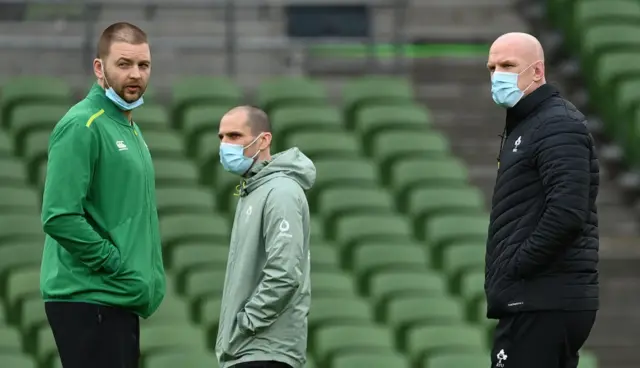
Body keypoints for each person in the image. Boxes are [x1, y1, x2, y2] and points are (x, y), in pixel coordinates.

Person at [40, 22, 165, 368]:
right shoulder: (83, 124)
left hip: (113, 299)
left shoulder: (127, 126)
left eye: (143, 65)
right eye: (123, 64)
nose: (135, 74)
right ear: (100, 68)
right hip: (90, 297)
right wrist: (113, 263)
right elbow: (59, 215)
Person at [484, 32, 599, 368]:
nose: (497, 75)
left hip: (542, 298)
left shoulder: (557, 125)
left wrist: (516, 266)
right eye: (491, 67)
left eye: (508, 65)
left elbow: (567, 213)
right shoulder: (528, 125)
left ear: (537, 71)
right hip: (535, 299)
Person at [215, 106, 315, 368]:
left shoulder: (280, 192)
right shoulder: (253, 191)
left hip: (265, 351)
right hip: (248, 351)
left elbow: (284, 273)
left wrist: (246, 323)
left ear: (264, 140)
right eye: (221, 137)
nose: (225, 145)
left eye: (234, 136)